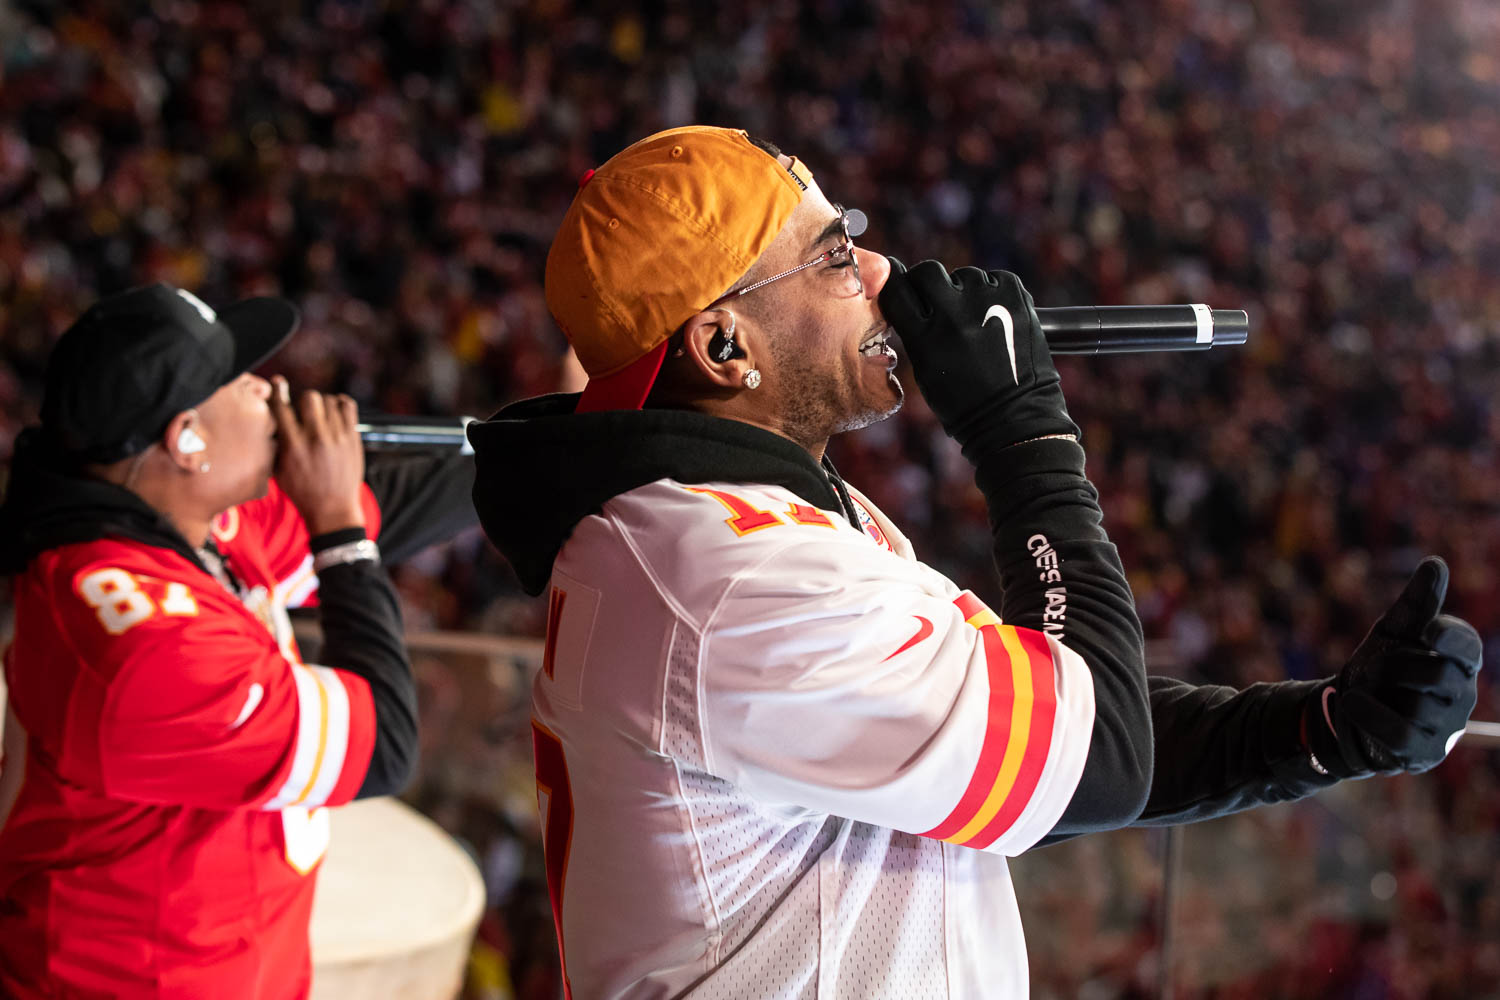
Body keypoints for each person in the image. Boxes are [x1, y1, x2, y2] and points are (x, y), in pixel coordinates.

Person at [468, 126, 1484, 999]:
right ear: (724, 347)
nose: (878, 275)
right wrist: (1020, 428)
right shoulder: (734, 580)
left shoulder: (719, 532)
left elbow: (1033, 734)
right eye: (831, 257)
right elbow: (1100, 758)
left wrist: (1323, 730)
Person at [0, 283, 474, 999]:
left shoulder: (172, 522)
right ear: (185, 438)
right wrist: (339, 533)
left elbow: (397, 502)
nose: (270, 386)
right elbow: (383, 745)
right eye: (240, 377)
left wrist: (565, 435)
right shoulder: (146, 649)